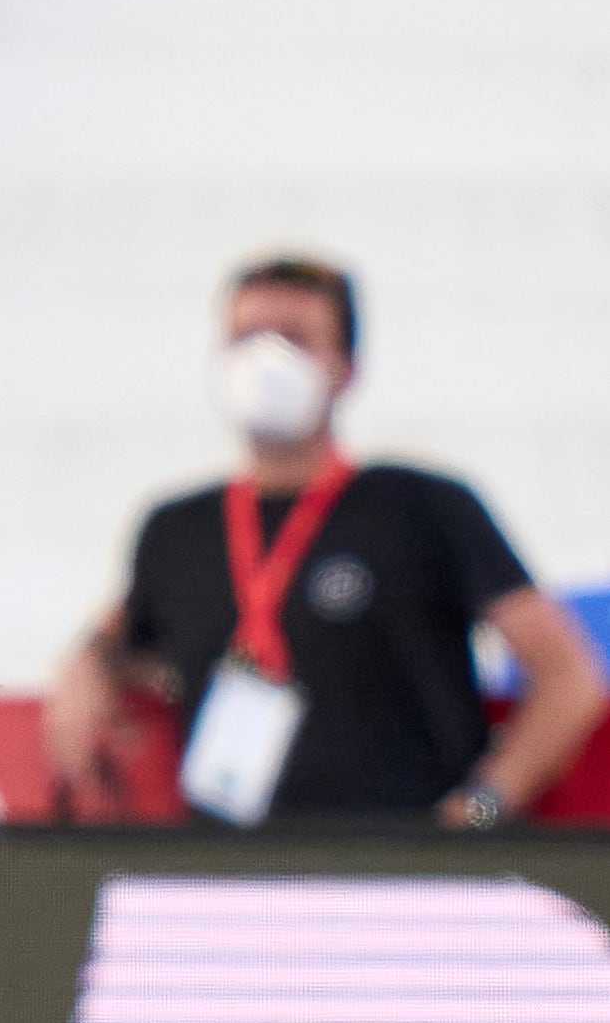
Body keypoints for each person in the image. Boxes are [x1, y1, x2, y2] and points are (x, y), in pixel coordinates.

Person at [47, 255, 606, 825]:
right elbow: (113, 641)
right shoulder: (176, 529)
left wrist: (480, 810)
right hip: (230, 879)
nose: (264, 361)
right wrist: (83, 672)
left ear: (346, 368)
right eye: (245, 339)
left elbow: (568, 676)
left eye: (294, 339)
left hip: (403, 870)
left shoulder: (423, 507)